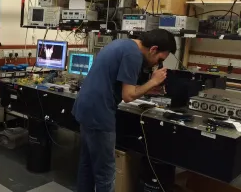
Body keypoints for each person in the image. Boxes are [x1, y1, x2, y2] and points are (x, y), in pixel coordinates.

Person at [72, 29, 177, 192]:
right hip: (99, 114)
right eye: (159, 59)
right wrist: (153, 81)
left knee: (87, 165)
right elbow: (128, 95)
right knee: (105, 174)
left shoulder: (121, 44)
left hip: (85, 108)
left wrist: (147, 86)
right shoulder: (133, 55)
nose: (157, 63)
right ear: (153, 49)